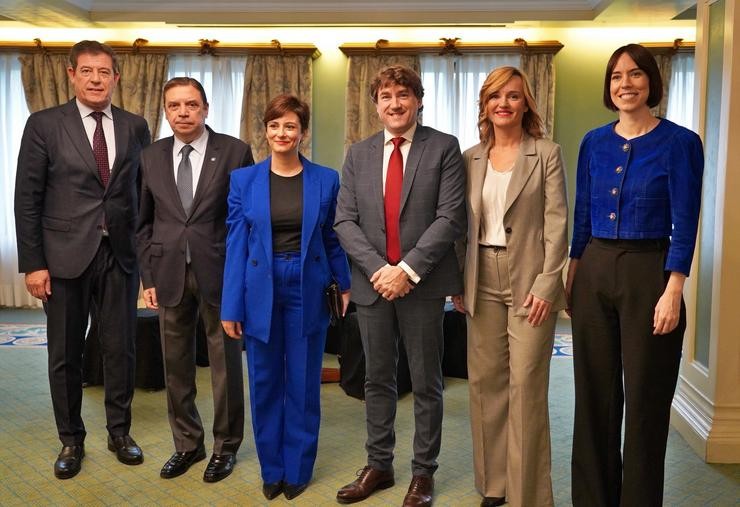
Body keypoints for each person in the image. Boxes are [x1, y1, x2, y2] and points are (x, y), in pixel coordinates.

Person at [567, 43, 703, 506]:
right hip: (595, 268)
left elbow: (686, 221)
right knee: (594, 399)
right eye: (616, 76)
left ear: (652, 82)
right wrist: (573, 275)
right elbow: (583, 218)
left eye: (635, 74)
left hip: (652, 274)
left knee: (645, 399)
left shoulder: (681, 142)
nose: (625, 84)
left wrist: (674, 289)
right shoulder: (593, 142)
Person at [14, 40, 150, 479]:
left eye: (104, 72)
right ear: (71, 74)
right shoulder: (44, 124)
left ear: (116, 77)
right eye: (87, 71)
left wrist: (148, 262)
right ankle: (71, 440)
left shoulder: (135, 126)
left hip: (120, 256)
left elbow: (143, 198)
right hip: (63, 257)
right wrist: (34, 263)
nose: (96, 79)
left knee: (120, 351)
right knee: (65, 353)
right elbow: (27, 199)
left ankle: (119, 432)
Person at [334, 65, 466, 507]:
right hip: (374, 286)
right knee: (377, 379)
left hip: (422, 285)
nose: (395, 103)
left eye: (403, 95)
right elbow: (345, 221)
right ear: (376, 104)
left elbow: (450, 218)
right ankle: (380, 465)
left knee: (427, 381)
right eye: (386, 96)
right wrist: (380, 271)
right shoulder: (358, 153)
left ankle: (423, 474)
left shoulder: (444, 148)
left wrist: (405, 271)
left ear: (419, 100)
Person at [220, 94, 350, 501]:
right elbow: (236, 244)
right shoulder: (245, 181)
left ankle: (297, 469)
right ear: (265, 131)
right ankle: (271, 468)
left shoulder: (326, 179)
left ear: (302, 133)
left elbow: (332, 237)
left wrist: (344, 284)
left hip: (307, 285)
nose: (282, 133)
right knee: (264, 381)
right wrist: (230, 305)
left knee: (303, 382)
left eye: (290, 126)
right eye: (275, 125)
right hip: (259, 285)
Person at [451, 66, 568, 507]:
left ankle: (528, 495)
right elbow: (461, 226)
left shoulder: (547, 153)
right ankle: (495, 486)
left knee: (526, 386)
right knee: (485, 386)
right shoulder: (470, 157)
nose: (504, 103)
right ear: (485, 105)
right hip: (480, 275)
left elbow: (557, 224)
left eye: (514, 96)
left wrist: (546, 284)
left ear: (526, 104)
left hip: (530, 281)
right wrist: (458, 280)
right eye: (495, 96)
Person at [136, 77, 253, 482]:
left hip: (220, 273)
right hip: (167, 273)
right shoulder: (149, 156)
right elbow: (143, 223)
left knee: (225, 367)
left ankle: (225, 447)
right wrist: (148, 276)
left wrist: (242, 279)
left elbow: (245, 222)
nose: (182, 112)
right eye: (174, 106)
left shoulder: (235, 152)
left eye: (190, 105)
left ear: (206, 108)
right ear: (165, 111)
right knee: (176, 366)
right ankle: (187, 443)